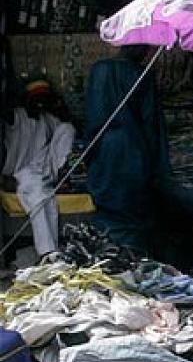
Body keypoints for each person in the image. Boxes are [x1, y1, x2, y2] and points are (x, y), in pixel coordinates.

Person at [85, 46, 171, 252]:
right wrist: (158, 164)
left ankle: (111, 254)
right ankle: (132, 256)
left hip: (104, 149)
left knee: (108, 211)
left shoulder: (99, 70)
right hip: (135, 151)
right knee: (134, 213)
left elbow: (92, 118)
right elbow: (151, 123)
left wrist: (90, 152)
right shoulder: (142, 75)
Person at [1, 78, 76, 258]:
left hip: (47, 170)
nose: (40, 103)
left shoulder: (47, 118)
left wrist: (58, 106)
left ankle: (63, 176)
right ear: (27, 99)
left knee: (67, 128)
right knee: (41, 198)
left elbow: (64, 129)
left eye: (44, 99)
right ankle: (48, 252)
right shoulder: (17, 116)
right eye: (36, 99)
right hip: (21, 174)